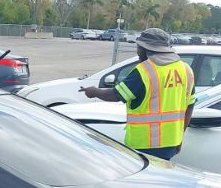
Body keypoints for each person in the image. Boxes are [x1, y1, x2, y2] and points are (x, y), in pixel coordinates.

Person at [81, 27, 196, 160]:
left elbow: (115, 95)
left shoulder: (144, 71)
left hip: (143, 145)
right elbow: (190, 106)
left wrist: (93, 92)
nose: (137, 51)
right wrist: (180, 136)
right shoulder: (185, 69)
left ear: (144, 49)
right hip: (171, 143)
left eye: (138, 47)